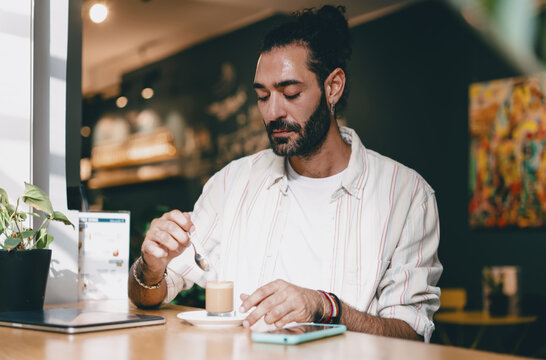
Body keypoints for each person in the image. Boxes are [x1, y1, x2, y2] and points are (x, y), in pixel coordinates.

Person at [128, 5, 442, 342]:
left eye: (290, 93)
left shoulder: (408, 196)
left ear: (333, 87)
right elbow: (149, 293)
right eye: (262, 96)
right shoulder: (233, 183)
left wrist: (327, 306)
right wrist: (150, 265)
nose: (273, 112)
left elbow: (411, 335)